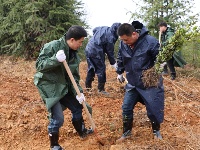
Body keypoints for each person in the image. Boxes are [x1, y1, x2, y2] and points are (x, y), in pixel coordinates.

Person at [34, 25, 93, 150]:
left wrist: (79, 93)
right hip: (50, 86)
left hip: (64, 85)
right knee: (58, 118)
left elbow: (74, 77)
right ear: (72, 40)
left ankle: (82, 132)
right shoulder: (53, 46)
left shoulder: (74, 55)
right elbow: (39, 65)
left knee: (77, 106)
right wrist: (55, 59)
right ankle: (54, 145)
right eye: (80, 42)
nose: (81, 45)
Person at [116, 21, 164, 143]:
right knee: (126, 107)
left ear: (134, 34)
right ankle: (126, 133)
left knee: (153, 108)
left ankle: (156, 131)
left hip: (148, 83)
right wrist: (119, 72)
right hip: (132, 82)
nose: (124, 42)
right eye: (122, 40)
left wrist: (160, 64)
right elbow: (121, 57)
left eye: (126, 40)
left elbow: (159, 59)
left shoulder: (150, 42)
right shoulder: (124, 44)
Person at [85, 23, 121, 95]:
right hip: (96, 50)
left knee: (91, 68)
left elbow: (94, 29)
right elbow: (110, 53)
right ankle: (101, 90)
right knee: (101, 69)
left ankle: (87, 88)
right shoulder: (111, 38)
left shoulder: (105, 28)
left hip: (88, 47)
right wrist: (116, 68)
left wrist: (97, 39)